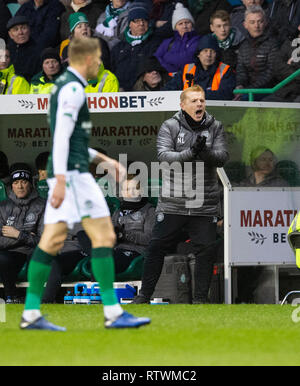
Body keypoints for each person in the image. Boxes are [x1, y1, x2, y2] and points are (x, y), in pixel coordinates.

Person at [19, 37, 150, 331]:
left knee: (53, 241)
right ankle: (113, 313)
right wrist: (64, 180)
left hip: (69, 170)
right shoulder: (74, 89)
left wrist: (108, 161)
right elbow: (63, 136)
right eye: (98, 58)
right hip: (71, 174)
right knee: (101, 236)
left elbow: (73, 140)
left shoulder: (66, 85)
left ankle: (30, 313)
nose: (101, 63)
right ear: (86, 60)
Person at [132, 84, 229, 304]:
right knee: (156, 247)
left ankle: (200, 300)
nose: (199, 104)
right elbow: (164, 156)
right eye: (194, 101)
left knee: (205, 251)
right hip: (173, 202)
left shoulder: (216, 126)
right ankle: (144, 296)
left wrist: (203, 152)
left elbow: (222, 157)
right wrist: (190, 152)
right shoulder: (170, 126)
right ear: (183, 105)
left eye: (202, 100)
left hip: (204, 203)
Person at [78, 174, 156, 274]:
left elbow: (149, 239)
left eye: (135, 188)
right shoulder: (118, 212)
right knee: (84, 234)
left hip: (135, 252)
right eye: (127, 189)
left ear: (141, 190)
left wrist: (123, 234)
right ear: (122, 192)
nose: (131, 192)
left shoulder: (149, 211)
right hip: (115, 249)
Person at [0, 163, 45, 303]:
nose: (19, 186)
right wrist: (24, 236)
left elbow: (43, 241)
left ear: (30, 184)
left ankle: (16, 297)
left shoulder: (42, 205)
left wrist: (17, 234)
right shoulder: (3, 207)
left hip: (30, 252)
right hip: (8, 252)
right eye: (16, 182)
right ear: (11, 185)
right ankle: (12, 297)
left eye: (23, 182)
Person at [163, 34, 236, 100]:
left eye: (212, 51)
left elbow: (226, 94)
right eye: (205, 51)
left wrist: (195, 95)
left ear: (217, 54)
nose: (208, 55)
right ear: (198, 54)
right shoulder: (187, 70)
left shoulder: (225, 70)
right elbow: (169, 89)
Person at [110, 2, 161, 91]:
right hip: (120, 92)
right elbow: (110, 71)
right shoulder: (118, 48)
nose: (141, 23)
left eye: (144, 20)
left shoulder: (155, 43)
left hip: (145, 91)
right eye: (136, 21)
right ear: (130, 24)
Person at [234, 5, 278, 101]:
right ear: (245, 25)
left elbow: (270, 74)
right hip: (247, 91)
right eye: (252, 22)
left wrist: (248, 90)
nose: (256, 26)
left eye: (260, 21)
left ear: (265, 23)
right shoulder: (243, 46)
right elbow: (241, 70)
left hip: (267, 91)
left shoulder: (273, 44)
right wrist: (240, 85)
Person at [154, 2, 201, 76]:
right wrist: (171, 69)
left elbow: (187, 59)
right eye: (180, 24)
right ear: (175, 27)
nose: (184, 26)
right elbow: (156, 59)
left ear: (192, 24)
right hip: (168, 79)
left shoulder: (198, 40)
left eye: (187, 22)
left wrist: (166, 56)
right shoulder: (168, 41)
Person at [262, 24, 300, 103]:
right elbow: (277, 66)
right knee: (264, 104)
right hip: (285, 91)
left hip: (297, 93)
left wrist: (290, 64)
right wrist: (294, 70)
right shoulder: (289, 43)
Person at [6, 15, 41, 82]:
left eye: (24, 28)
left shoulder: (38, 50)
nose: (20, 32)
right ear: (10, 34)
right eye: (16, 29)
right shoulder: (6, 51)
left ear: (29, 30)